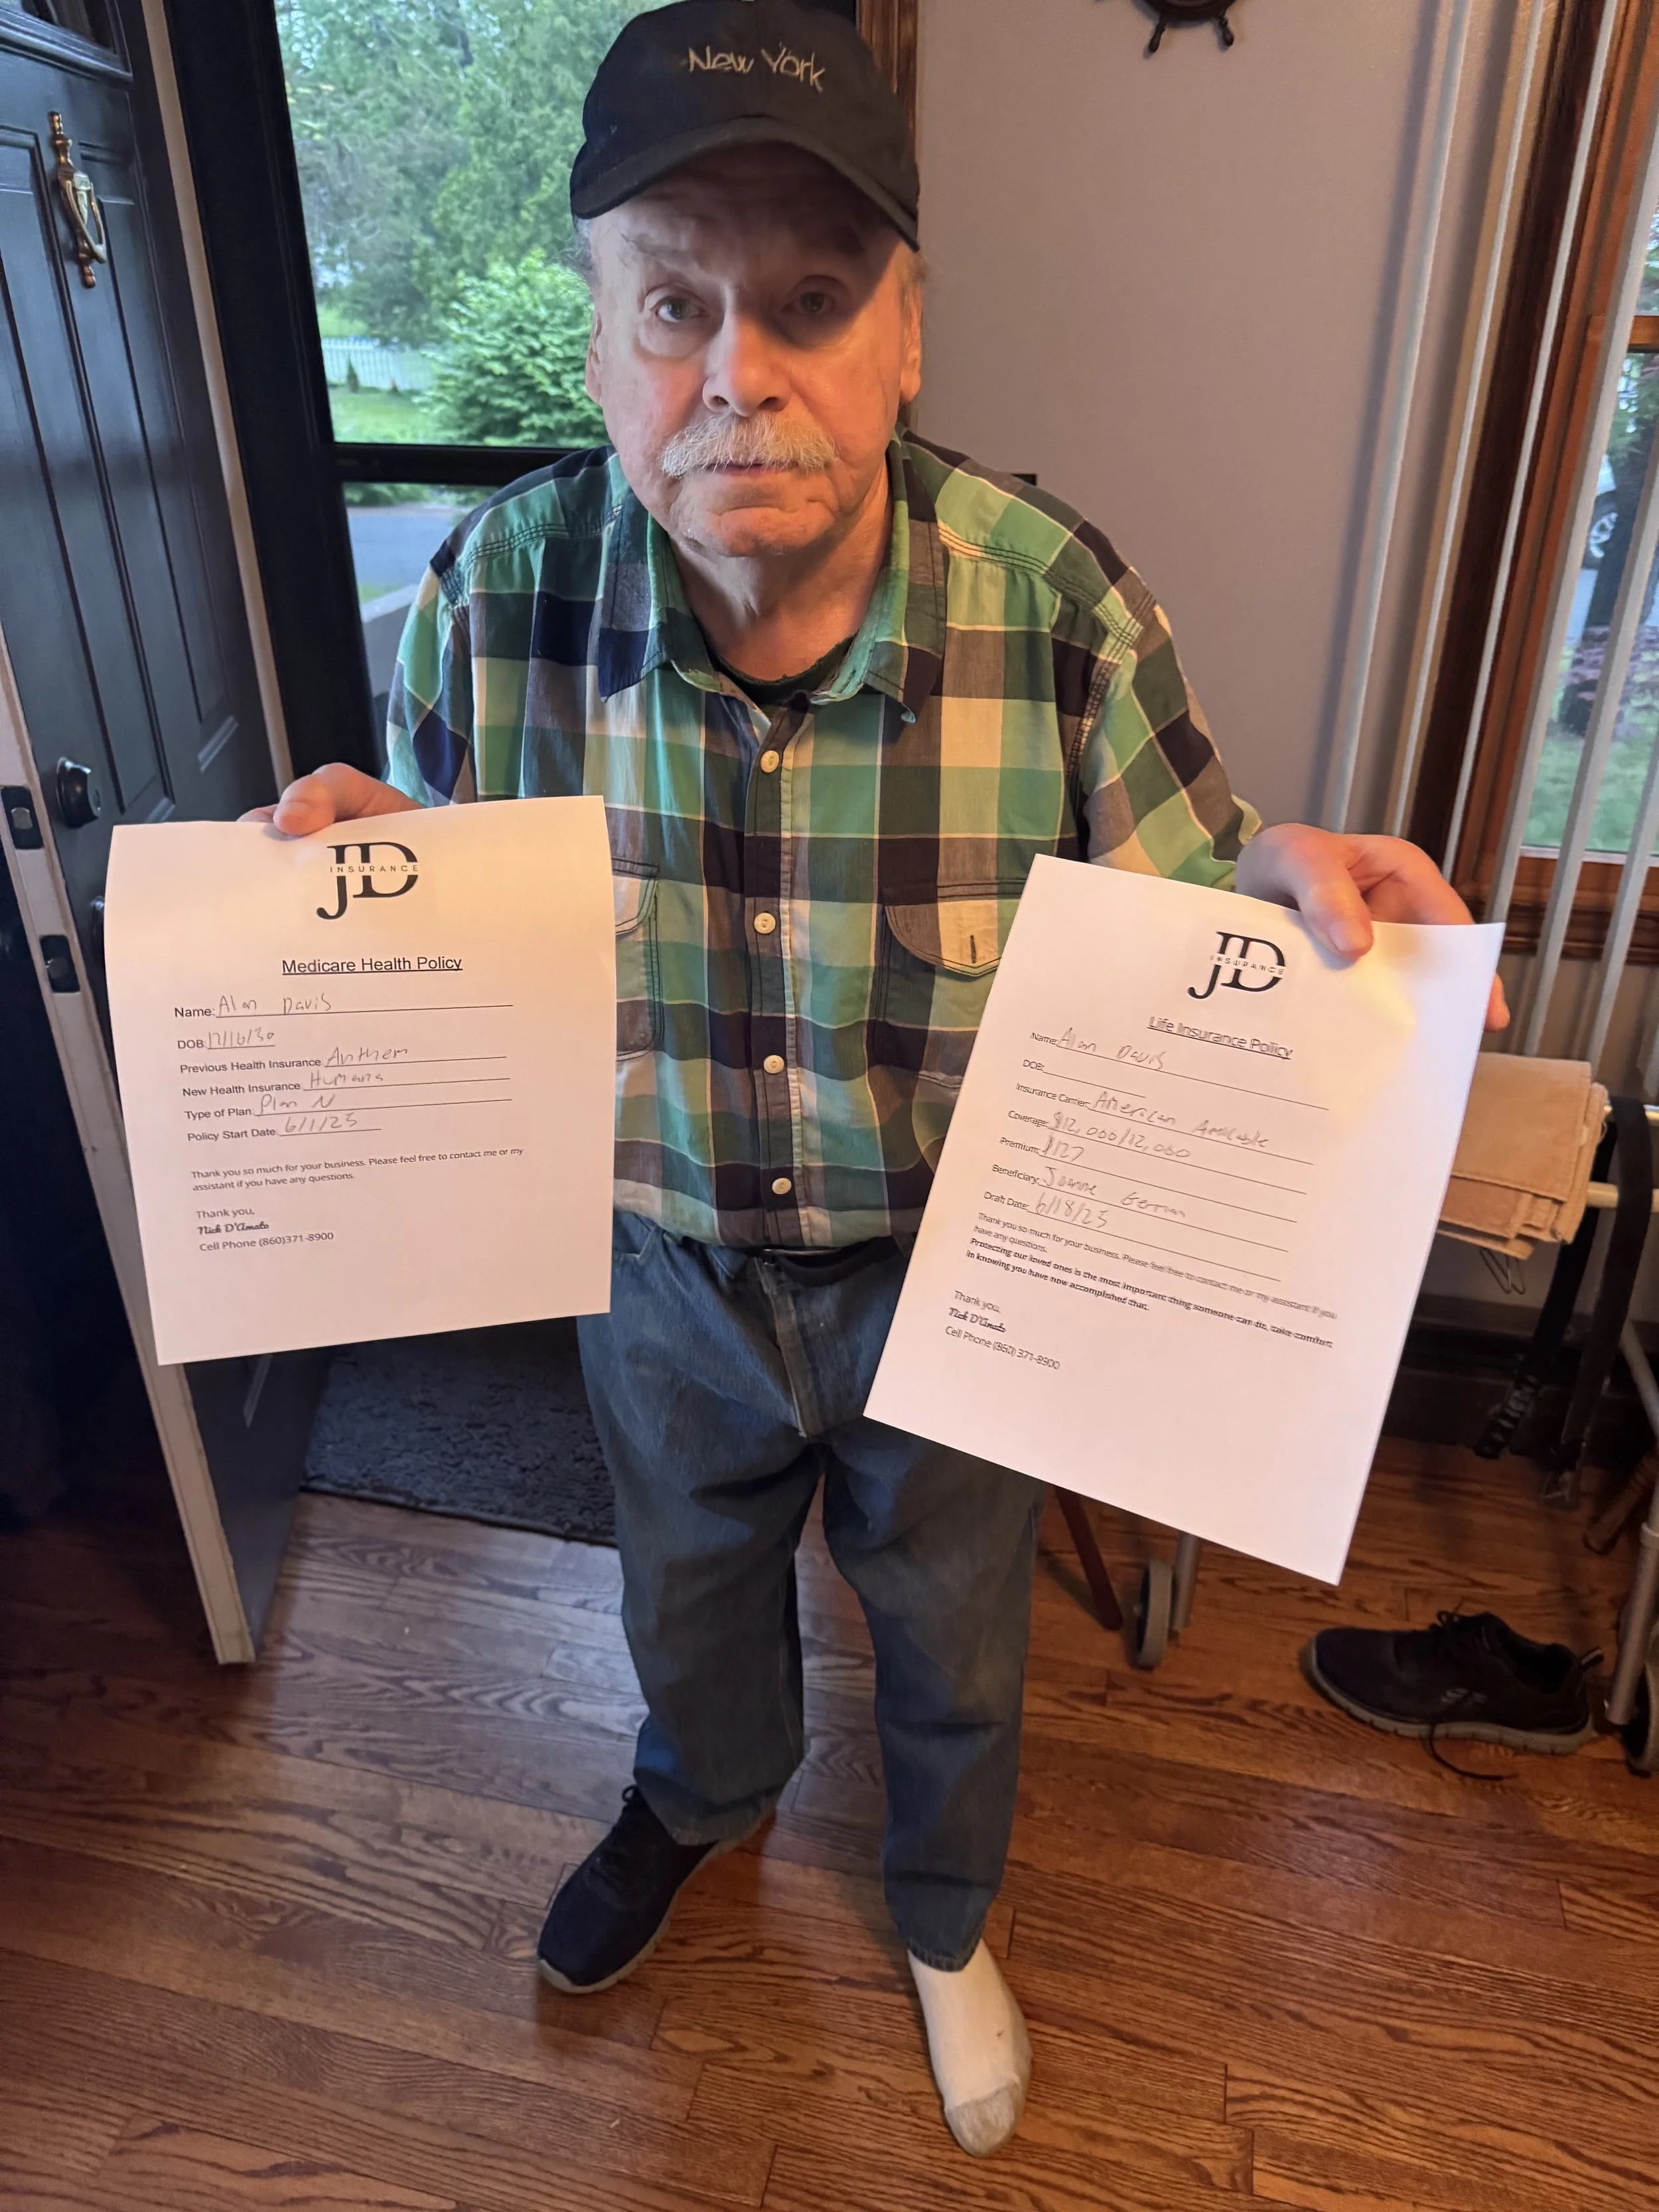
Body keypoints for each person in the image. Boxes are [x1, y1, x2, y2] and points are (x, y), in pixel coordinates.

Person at [250, 0, 1507, 2158]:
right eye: (674, 304)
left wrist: (1289, 901)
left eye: (813, 299)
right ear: (600, 343)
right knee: (679, 1589)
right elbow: (457, 921)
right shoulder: (492, 596)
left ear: (907, 331)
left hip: (956, 1276)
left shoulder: (1060, 610)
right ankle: (699, 1799)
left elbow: (1190, 903)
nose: (737, 369)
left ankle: (941, 1907)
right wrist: (356, 900)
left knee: (951, 1634)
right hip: (657, 1263)